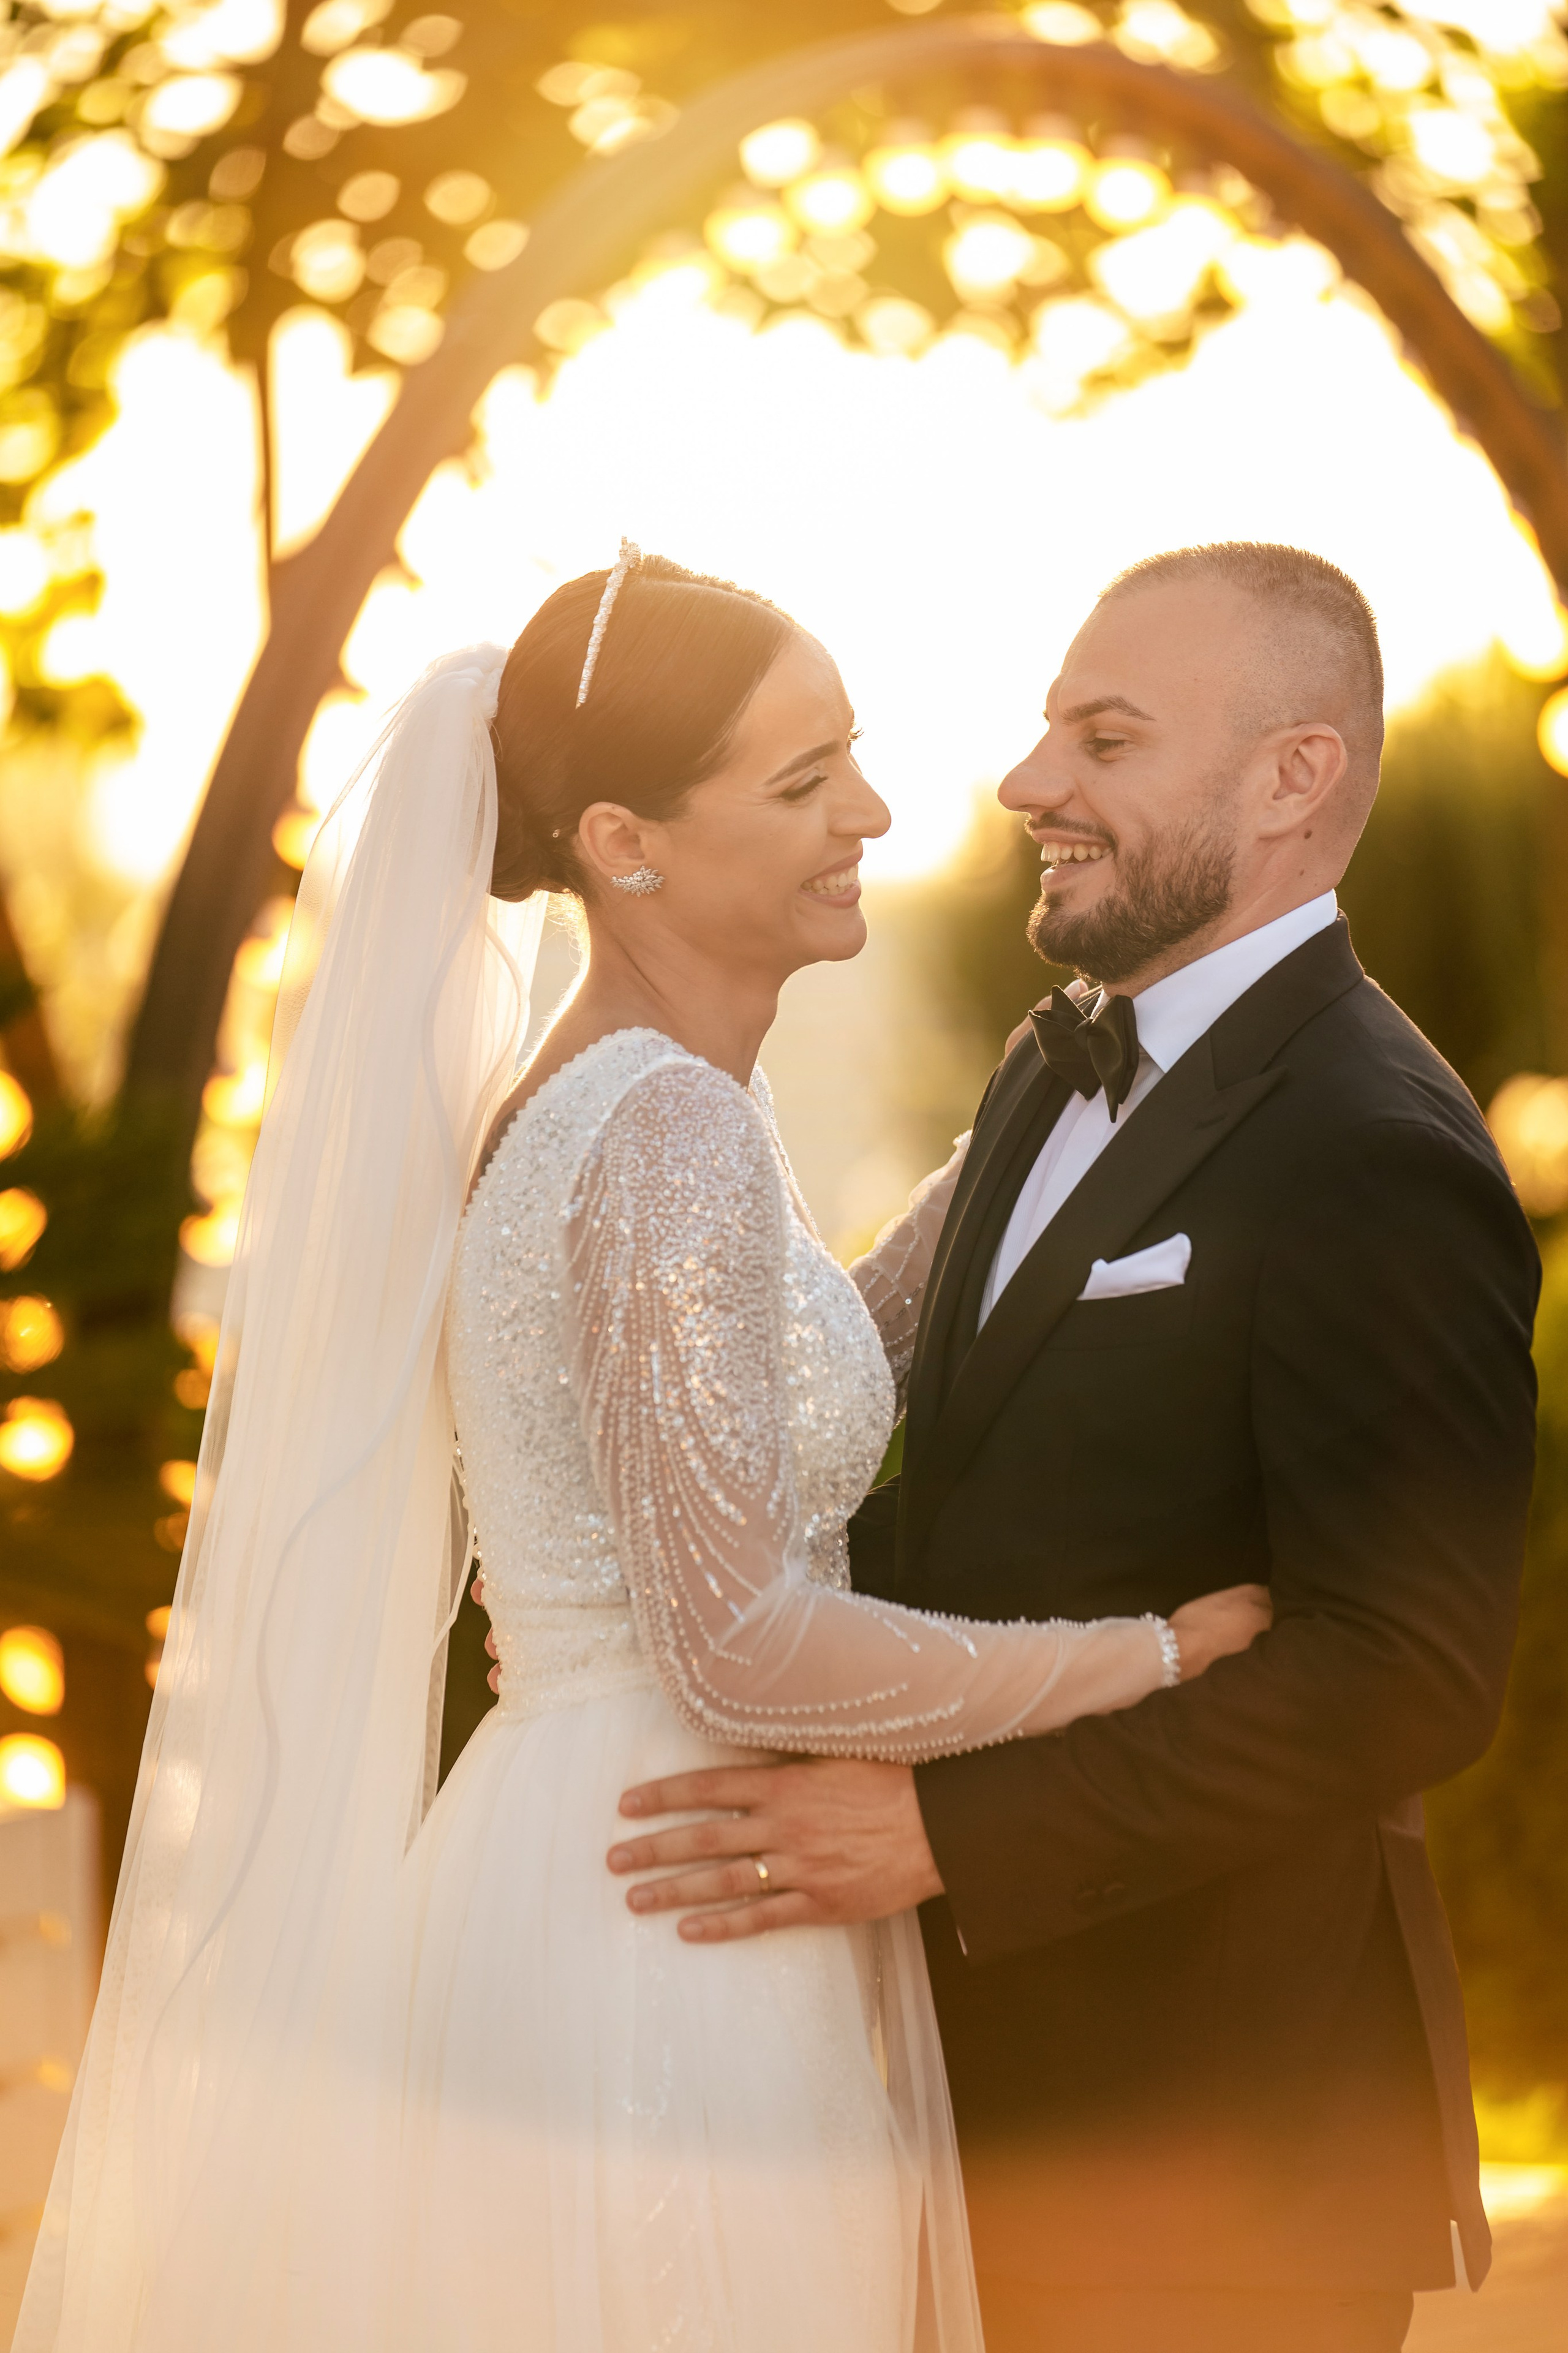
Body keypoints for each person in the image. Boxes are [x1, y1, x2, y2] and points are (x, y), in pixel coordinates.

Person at [14, 548, 1267, 2353]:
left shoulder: (643, 1090)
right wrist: (1140, 1665)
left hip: (607, 1856)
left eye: (852, 752)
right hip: (669, 1926)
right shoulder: (662, 1120)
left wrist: (1033, 1117)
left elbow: (800, 1370)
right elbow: (739, 1635)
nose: (874, 809)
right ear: (622, 841)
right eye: (802, 779)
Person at [603, 543, 1542, 2353]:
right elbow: (958, 1498)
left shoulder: (1378, 1145)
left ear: (1294, 778)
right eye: (1046, 729)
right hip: (969, 2098)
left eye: (1102, 737)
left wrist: (948, 1830)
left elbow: (1402, 1673)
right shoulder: (1053, 1060)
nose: (1032, 782)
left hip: (1222, 2151)